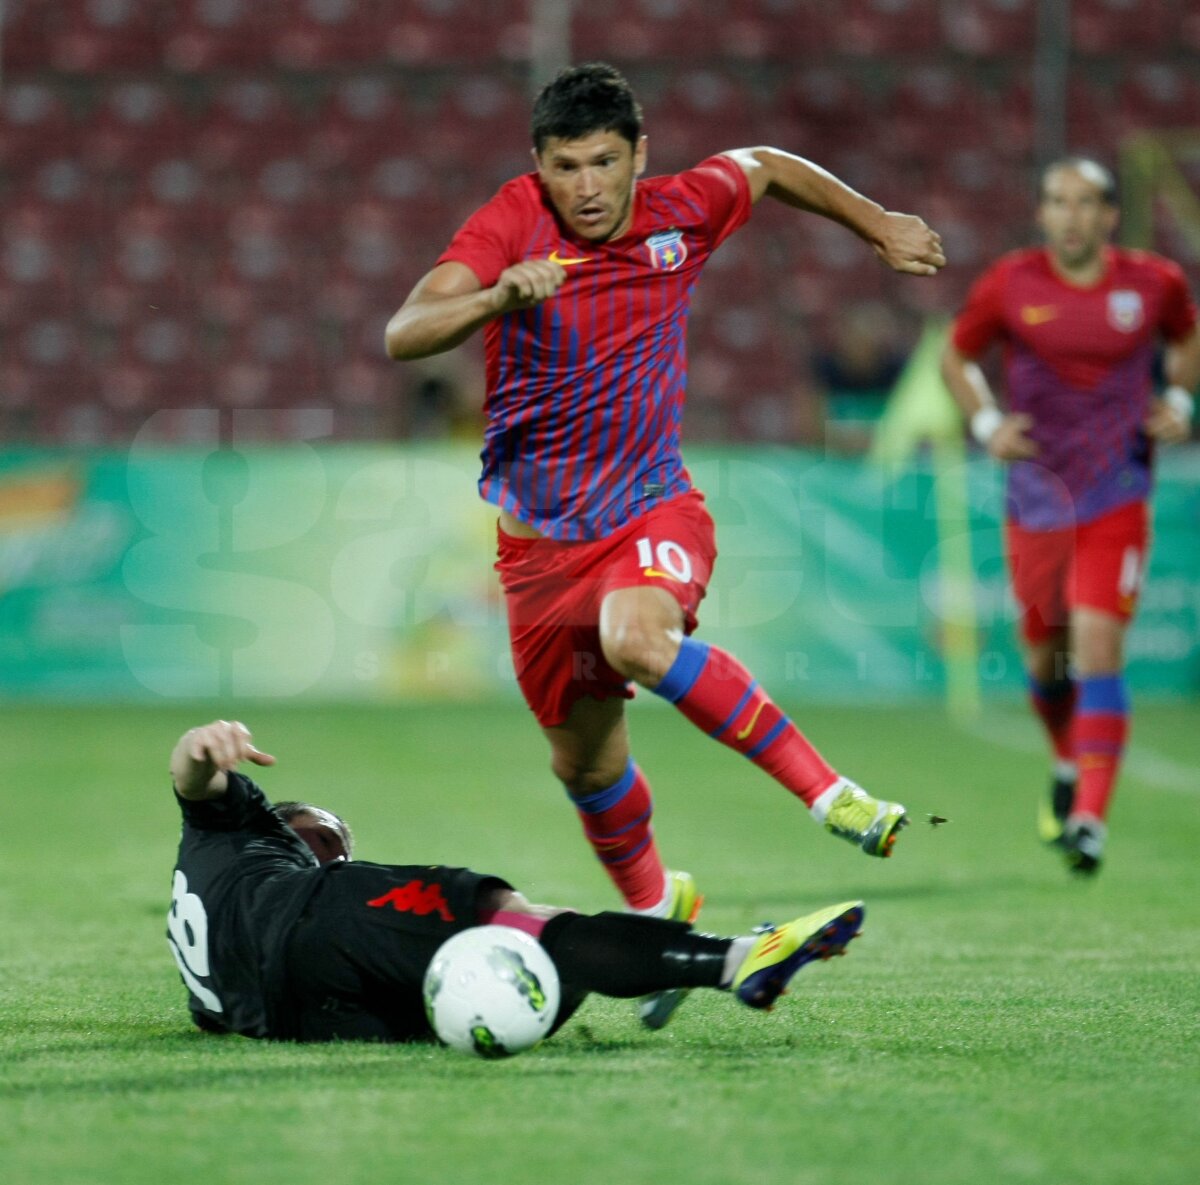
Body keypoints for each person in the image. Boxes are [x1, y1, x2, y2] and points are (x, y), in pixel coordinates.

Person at [384, 62, 943, 1027]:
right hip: (533, 556)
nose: (589, 187)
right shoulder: (514, 221)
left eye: (606, 162)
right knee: (587, 771)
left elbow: (765, 165)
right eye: (568, 166)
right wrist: (494, 298)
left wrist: (880, 222)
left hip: (651, 513)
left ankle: (831, 795)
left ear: (640, 156)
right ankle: (658, 907)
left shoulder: (685, 209)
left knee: (636, 637)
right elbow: (404, 331)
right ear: (539, 166)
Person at [166, 719, 865, 1044]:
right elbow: (192, 773)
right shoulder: (249, 831)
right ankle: (737, 957)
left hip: (297, 1018)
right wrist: (201, 744)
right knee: (514, 919)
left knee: (515, 981)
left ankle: (646, 954)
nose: (336, 849)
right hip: (319, 920)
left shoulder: (207, 882)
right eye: (328, 840)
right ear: (291, 830)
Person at [940, 156, 1200, 875]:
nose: (1072, 215)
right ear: (1043, 214)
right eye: (1058, 201)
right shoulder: (1011, 283)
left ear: (1110, 216)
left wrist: (1179, 402)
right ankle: (1064, 757)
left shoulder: (1153, 283)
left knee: (1097, 648)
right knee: (1046, 658)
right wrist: (988, 421)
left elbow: (1189, 334)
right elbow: (955, 357)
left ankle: (1089, 816)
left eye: (1086, 202)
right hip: (1036, 501)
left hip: (1117, 494)